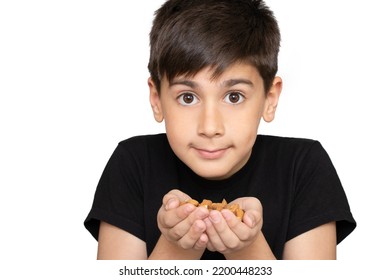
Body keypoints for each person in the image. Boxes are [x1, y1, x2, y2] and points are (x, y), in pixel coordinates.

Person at [84, 0, 356, 260]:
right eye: (188, 98)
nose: (210, 127)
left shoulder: (304, 166)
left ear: (269, 99)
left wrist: (247, 250)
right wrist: (176, 247)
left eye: (234, 97)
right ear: (157, 100)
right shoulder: (132, 163)